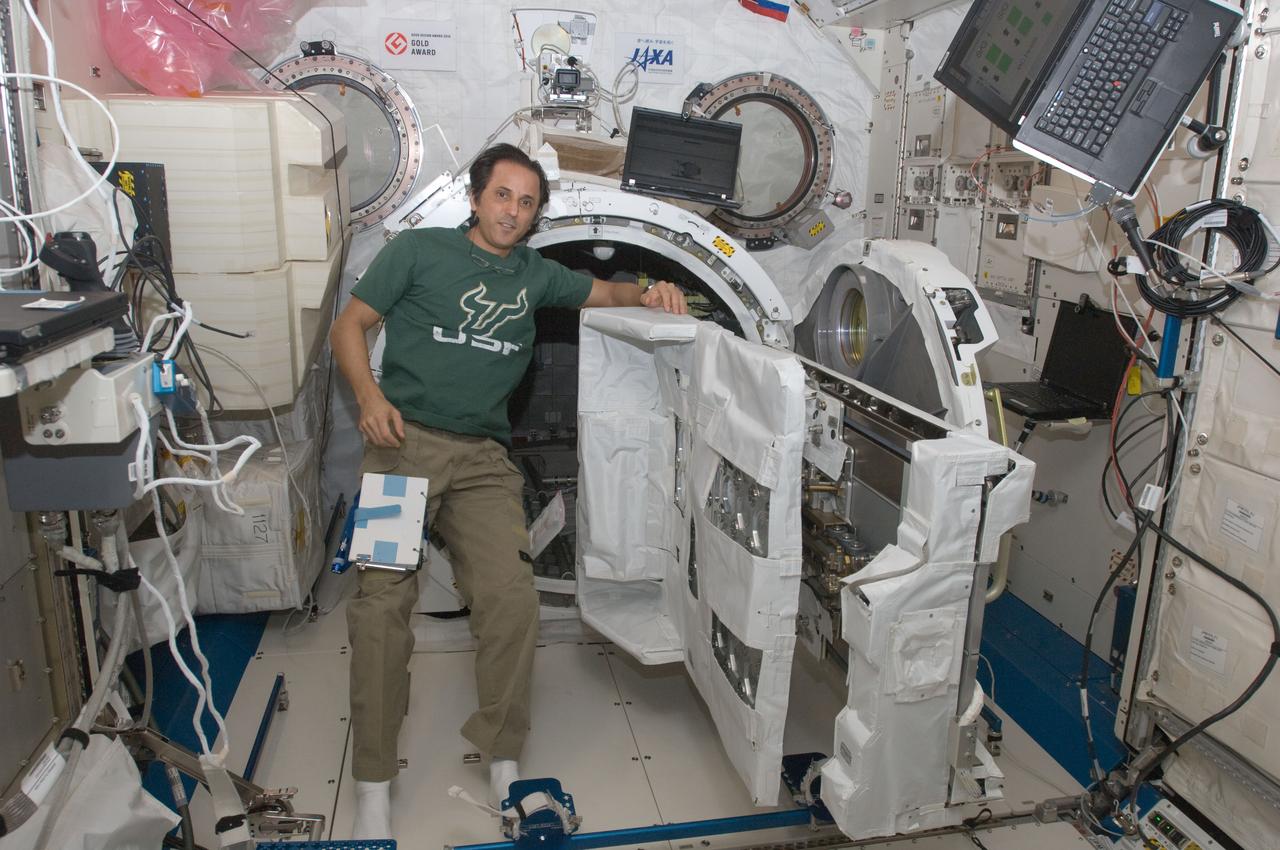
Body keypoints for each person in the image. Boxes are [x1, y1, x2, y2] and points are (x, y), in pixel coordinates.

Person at [329, 142, 687, 839]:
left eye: (526, 203)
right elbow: (349, 326)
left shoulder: (534, 276)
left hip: (485, 459)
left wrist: (651, 293)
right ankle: (374, 776)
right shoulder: (420, 251)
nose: (512, 212)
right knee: (381, 605)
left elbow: (605, 293)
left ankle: (501, 752)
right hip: (402, 447)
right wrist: (368, 399)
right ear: (475, 197)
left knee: (510, 600)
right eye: (502, 196)